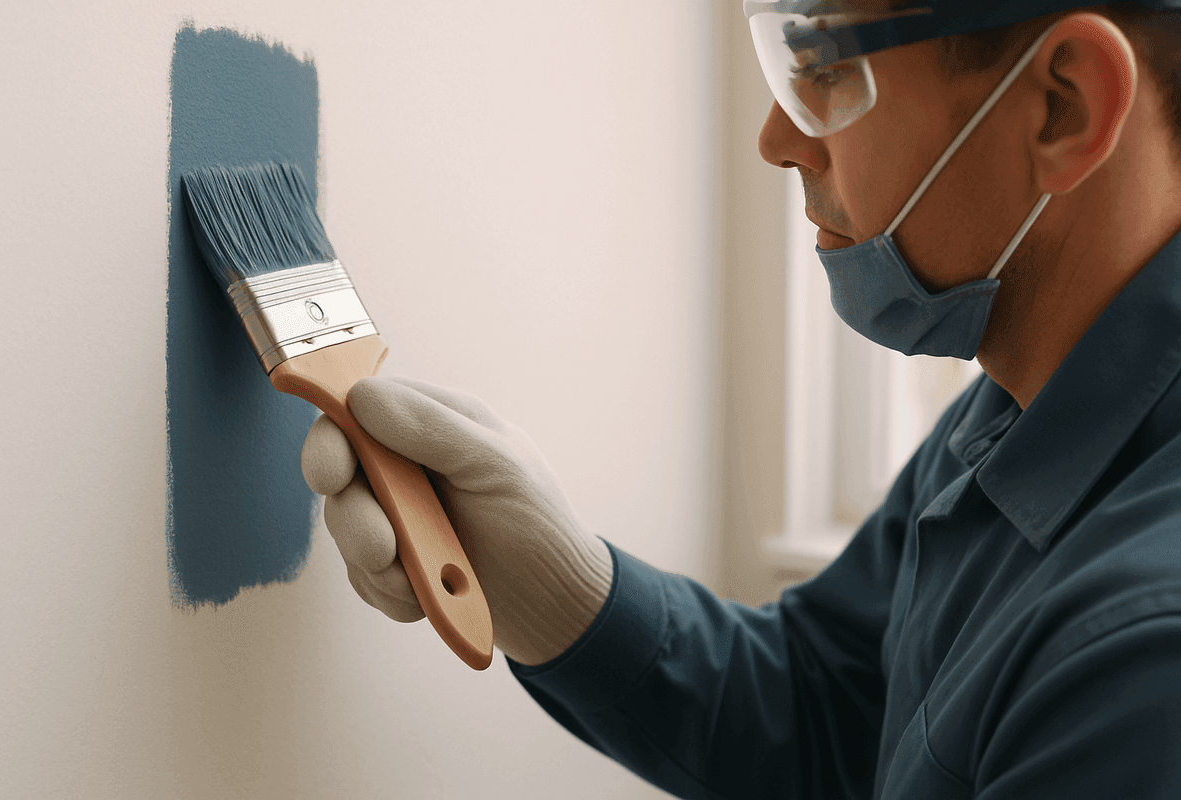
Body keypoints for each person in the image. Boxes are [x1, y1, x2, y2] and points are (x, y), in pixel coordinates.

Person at [301, 1, 1181, 796]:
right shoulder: (1015, 408)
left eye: (825, 66)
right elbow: (832, 712)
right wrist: (569, 592)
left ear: (1065, 105)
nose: (775, 138)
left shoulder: (1141, 665)